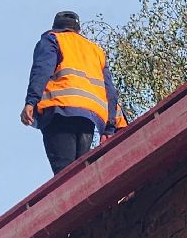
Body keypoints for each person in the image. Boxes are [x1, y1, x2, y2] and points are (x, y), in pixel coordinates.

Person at [21, 11, 119, 175]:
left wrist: (31, 102)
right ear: (78, 29)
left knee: (65, 175)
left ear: (56, 27)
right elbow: (110, 91)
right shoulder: (95, 50)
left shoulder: (53, 39)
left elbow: (42, 71)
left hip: (60, 112)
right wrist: (109, 128)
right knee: (80, 174)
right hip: (89, 117)